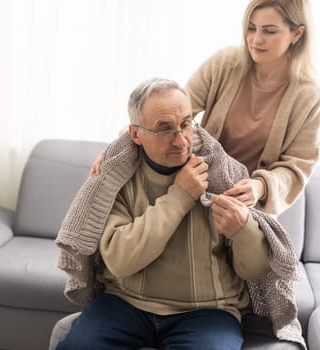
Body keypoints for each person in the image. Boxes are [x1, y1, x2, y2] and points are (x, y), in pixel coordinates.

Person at [56, 78, 304, 350]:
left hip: (208, 312)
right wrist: (180, 196)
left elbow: (253, 270)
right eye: (165, 129)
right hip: (124, 303)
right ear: (136, 135)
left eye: (186, 124)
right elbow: (120, 261)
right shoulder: (116, 178)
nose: (180, 140)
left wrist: (243, 228)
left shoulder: (224, 174)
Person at [90, 0, 320, 216]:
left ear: (297, 33)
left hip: (245, 207)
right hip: (199, 186)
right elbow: (174, 113)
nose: (255, 39)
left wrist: (260, 186)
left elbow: (297, 166)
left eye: (269, 31)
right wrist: (119, 147)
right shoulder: (224, 64)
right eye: (251, 28)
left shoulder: (308, 96)